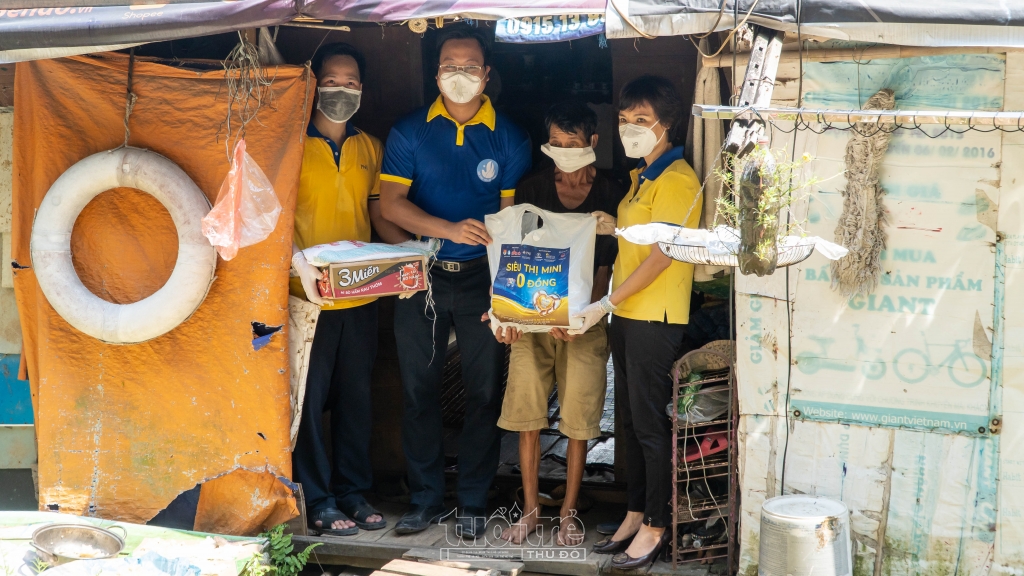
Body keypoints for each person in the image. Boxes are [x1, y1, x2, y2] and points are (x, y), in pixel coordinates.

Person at [378, 24, 532, 538]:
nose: (459, 75)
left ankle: (471, 501)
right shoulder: (410, 132)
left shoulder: (508, 137)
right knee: (419, 389)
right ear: (436, 73)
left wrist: (504, 292)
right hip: (420, 276)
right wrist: (447, 230)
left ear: (487, 74)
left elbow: (509, 223)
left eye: (470, 67)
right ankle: (424, 499)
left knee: (483, 391)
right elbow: (391, 205)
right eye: (450, 66)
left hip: (481, 280)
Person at [576, 76, 701, 568]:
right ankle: (633, 512)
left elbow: (662, 257)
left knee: (651, 427)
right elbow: (639, 238)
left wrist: (604, 303)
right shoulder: (643, 175)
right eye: (624, 120)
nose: (630, 129)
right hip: (629, 314)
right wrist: (616, 225)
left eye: (641, 121)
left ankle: (656, 524)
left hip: (654, 317)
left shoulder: (677, 179)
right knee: (629, 422)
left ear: (666, 125)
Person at [491, 102, 625, 547]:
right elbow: (514, 257)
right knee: (527, 414)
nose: (565, 151)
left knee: (579, 418)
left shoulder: (613, 189)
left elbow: (607, 265)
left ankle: (568, 510)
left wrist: (587, 313)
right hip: (531, 321)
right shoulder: (531, 187)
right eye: (558, 143)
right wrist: (505, 314)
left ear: (593, 142)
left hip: (585, 320)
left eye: (574, 143)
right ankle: (529, 511)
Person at [289, 42, 410, 536]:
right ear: (316, 84)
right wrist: (298, 268)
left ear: (362, 89)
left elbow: (379, 216)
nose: (343, 90)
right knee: (311, 401)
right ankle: (316, 499)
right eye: (334, 81)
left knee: (356, 398)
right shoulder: (290, 144)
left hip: (360, 295)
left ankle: (352, 493)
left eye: (352, 82)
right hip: (306, 299)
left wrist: (413, 260)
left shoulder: (370, 147)